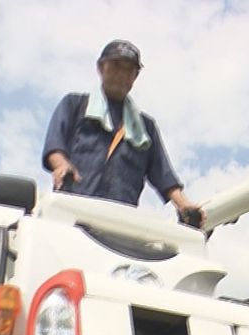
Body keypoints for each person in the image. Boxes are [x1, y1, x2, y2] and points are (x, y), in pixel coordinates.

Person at [42, 39, 205, 227]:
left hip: (119, 223)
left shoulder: (145, 127)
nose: (122, 75)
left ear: (135, 76)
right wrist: (62, 165)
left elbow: (163, 174)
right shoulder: (75, 105)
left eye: (129, 70)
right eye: (116, 66)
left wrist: (184, 206)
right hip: (71, 214)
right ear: (101, 68)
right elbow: (55, 145)